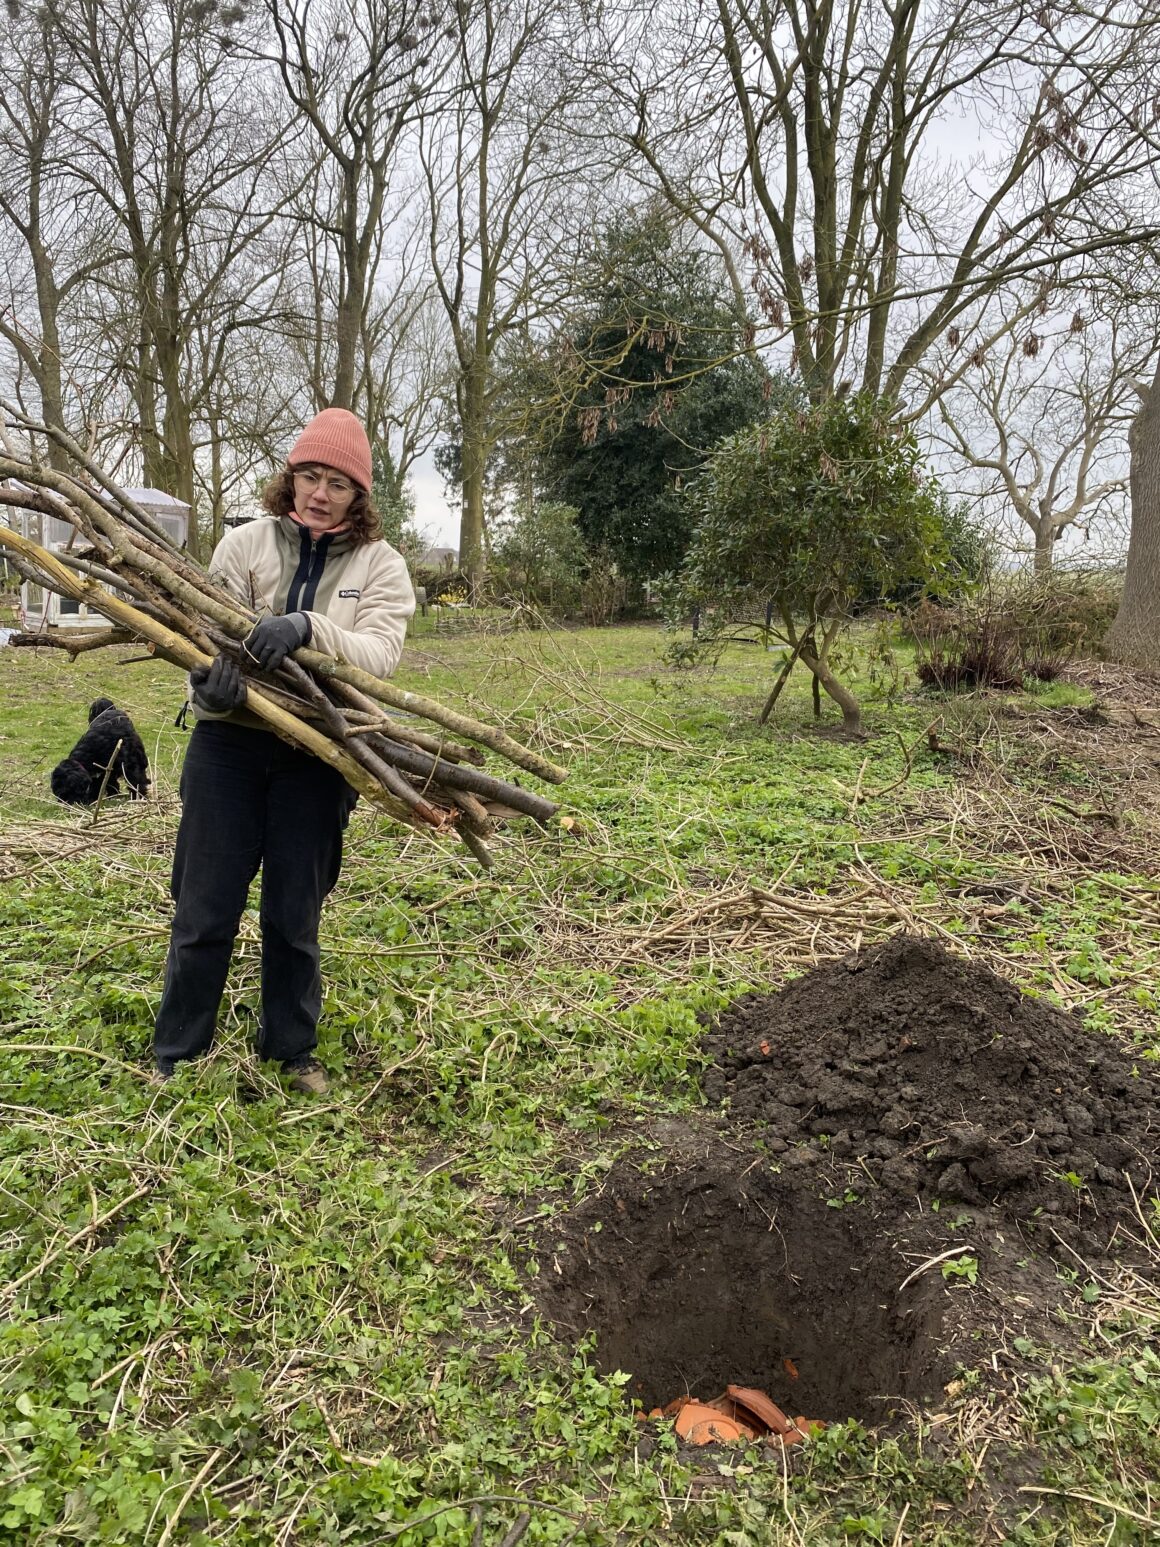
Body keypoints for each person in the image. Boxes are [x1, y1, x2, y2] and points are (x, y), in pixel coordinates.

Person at [152, 408, 416, 1093]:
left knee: (294, 909)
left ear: (359, 497)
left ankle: (291, 1050)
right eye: (309, 475)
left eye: (336, 482)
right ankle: (177, 1051)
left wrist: (307, 627)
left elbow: (380, 655)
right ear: (289, 476)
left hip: (319, 755)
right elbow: (201, 631)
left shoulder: (380, 565)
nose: (319, 492)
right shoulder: (243, 545)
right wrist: (211, 687)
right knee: (203, 904)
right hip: (229, 748)